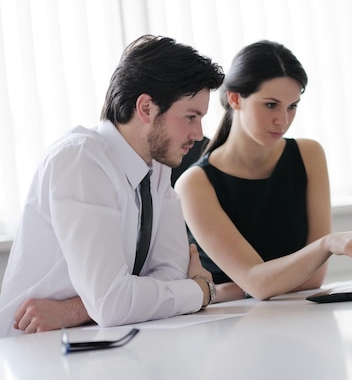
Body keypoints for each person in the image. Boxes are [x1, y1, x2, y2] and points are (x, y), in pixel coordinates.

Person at [0, 35, 224, 337]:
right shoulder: (80, 161)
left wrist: (77, 309)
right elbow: (113, 304)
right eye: (191, 117)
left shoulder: (157, 167)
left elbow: (170, 273)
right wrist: (201, 291)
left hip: (99, 338)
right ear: (146, 108)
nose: (199, 134)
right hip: (32, 347)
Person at [175, 40, 352, 302]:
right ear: (235, 99)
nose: (283, 120)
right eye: (271, 105)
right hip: (228, 324)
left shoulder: (309, 155)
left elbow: (313, 279)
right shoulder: (194, 184)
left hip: (289, 315)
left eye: (292, 106)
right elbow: (259, 284)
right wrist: (326, 245)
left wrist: (227, 291)